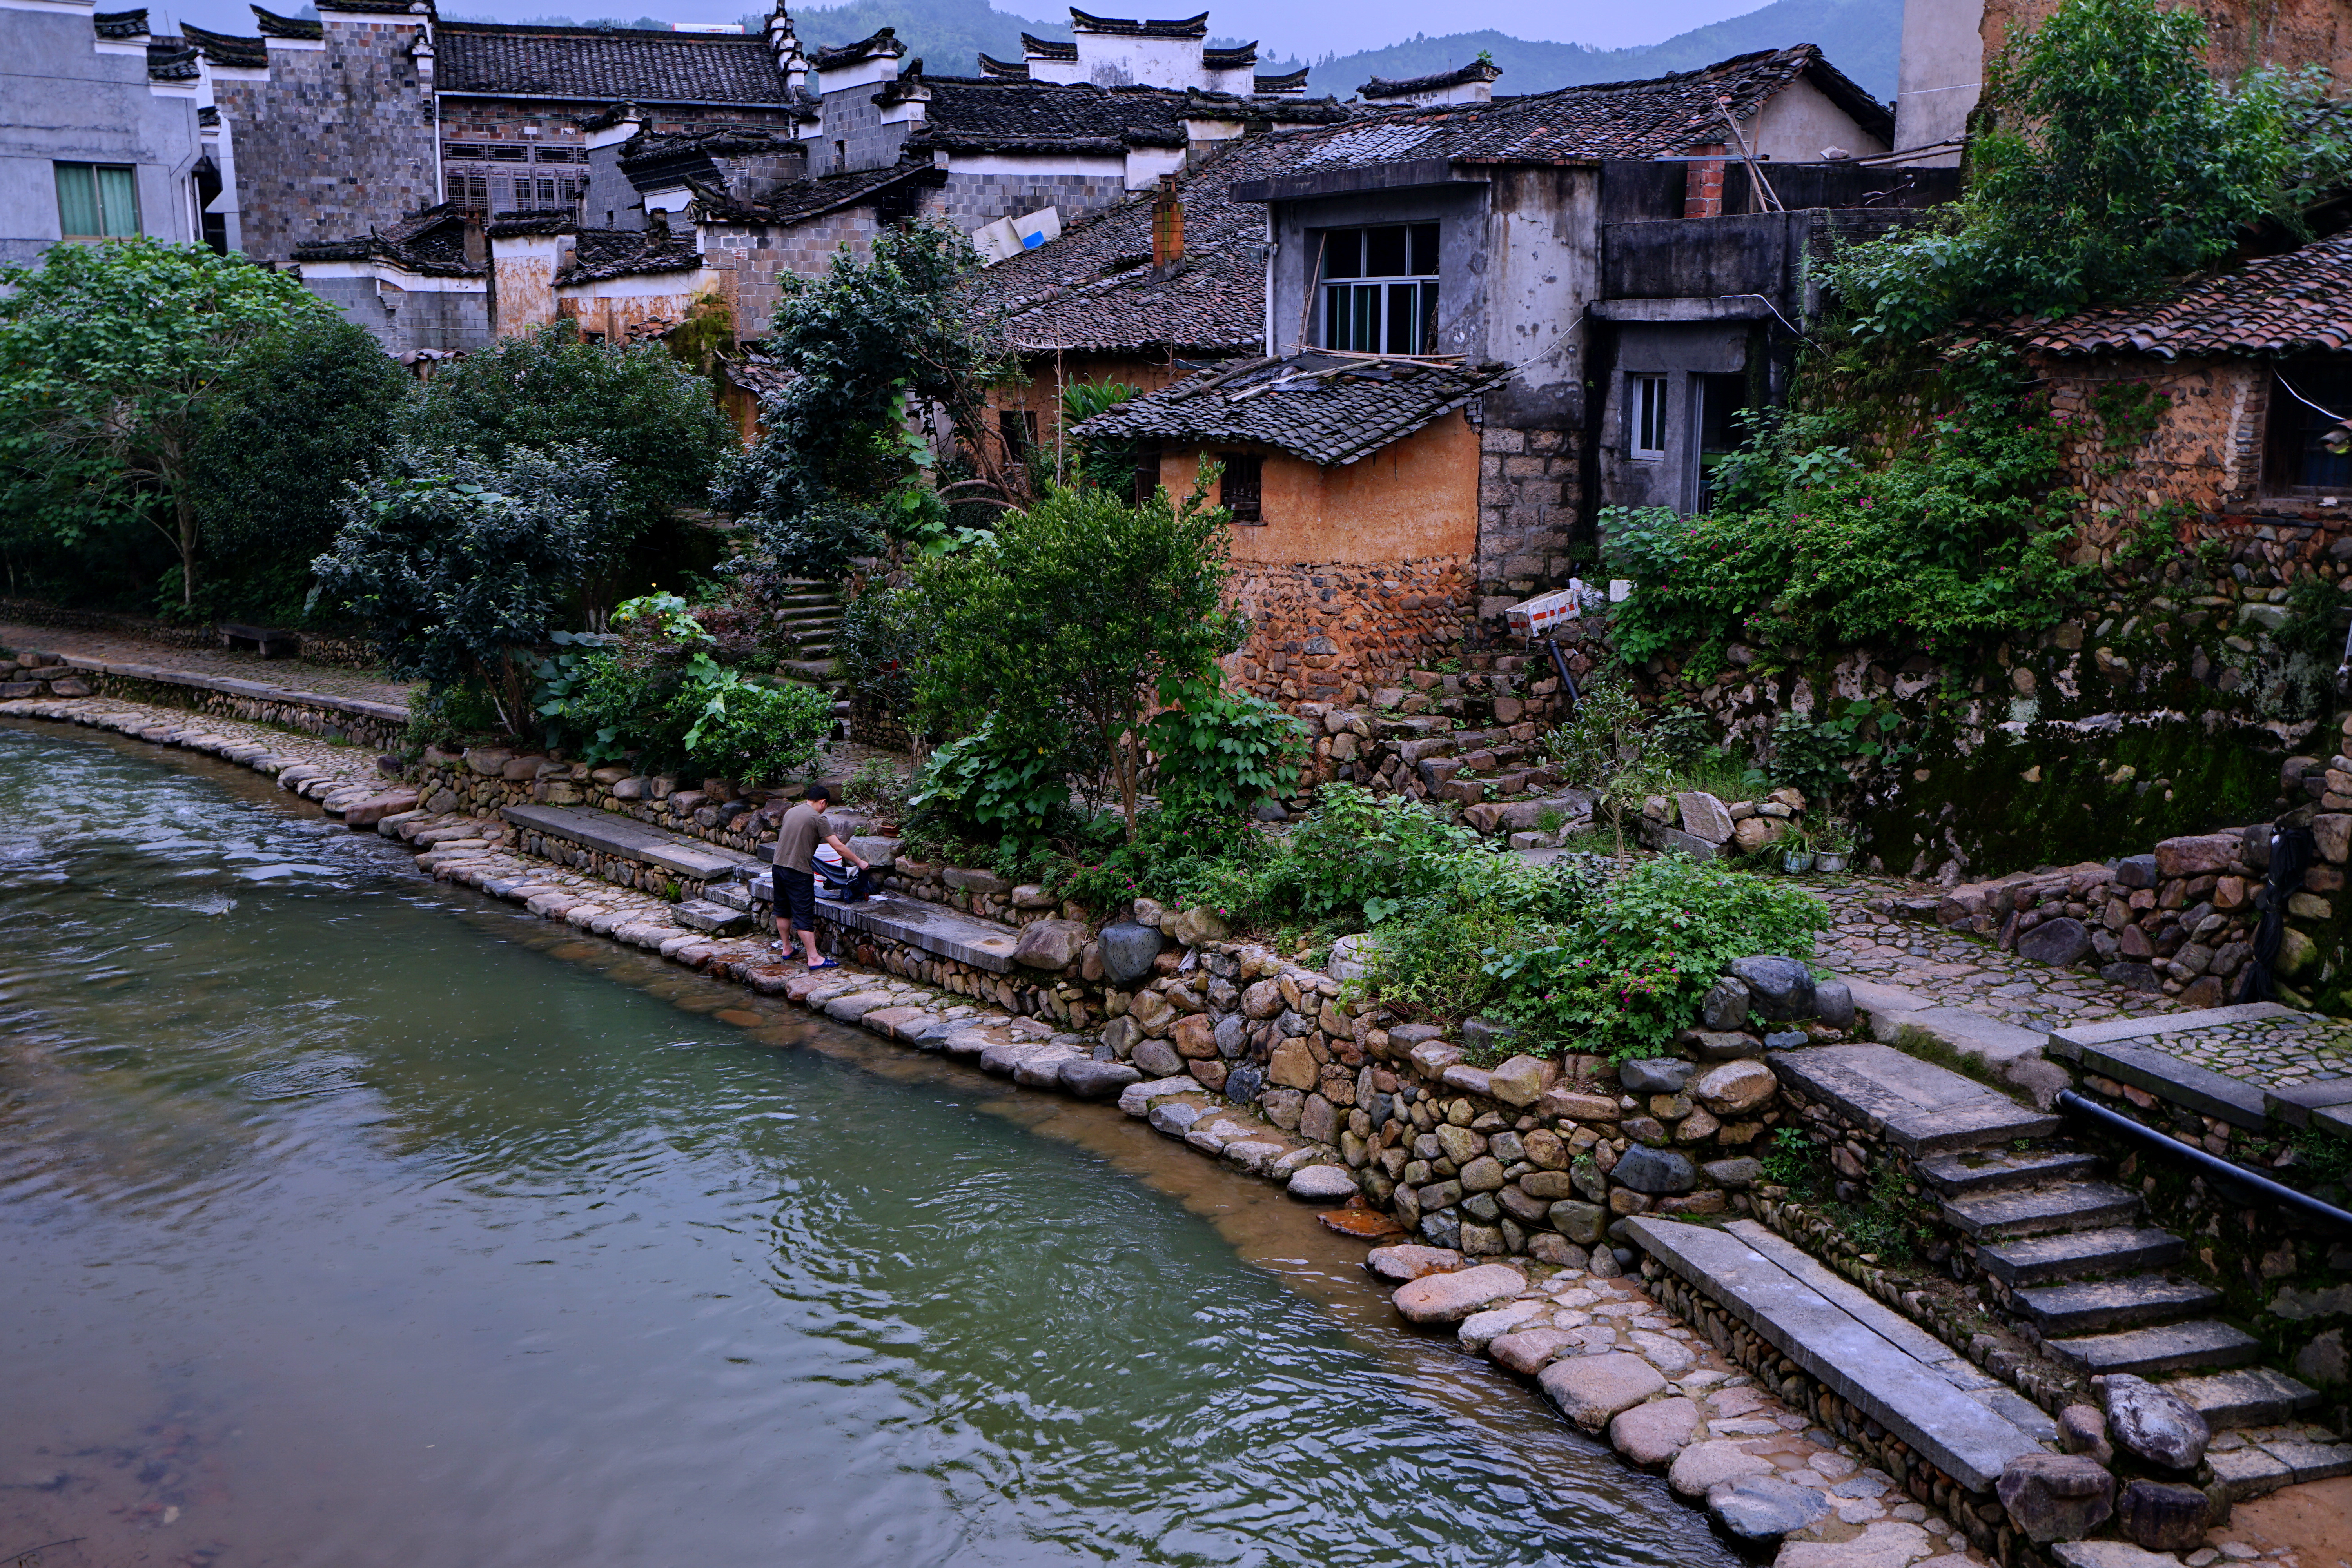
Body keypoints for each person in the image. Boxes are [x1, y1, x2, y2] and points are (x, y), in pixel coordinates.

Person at [772, 784, 871, 967]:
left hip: (778, 867)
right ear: (823, 802)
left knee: (782, 909)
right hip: (798, 872)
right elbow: (839, 848)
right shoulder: (818, 819)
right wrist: (860, 863)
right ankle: (814, 959)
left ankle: (787, 949)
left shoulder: (791, 812)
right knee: (803, 915)